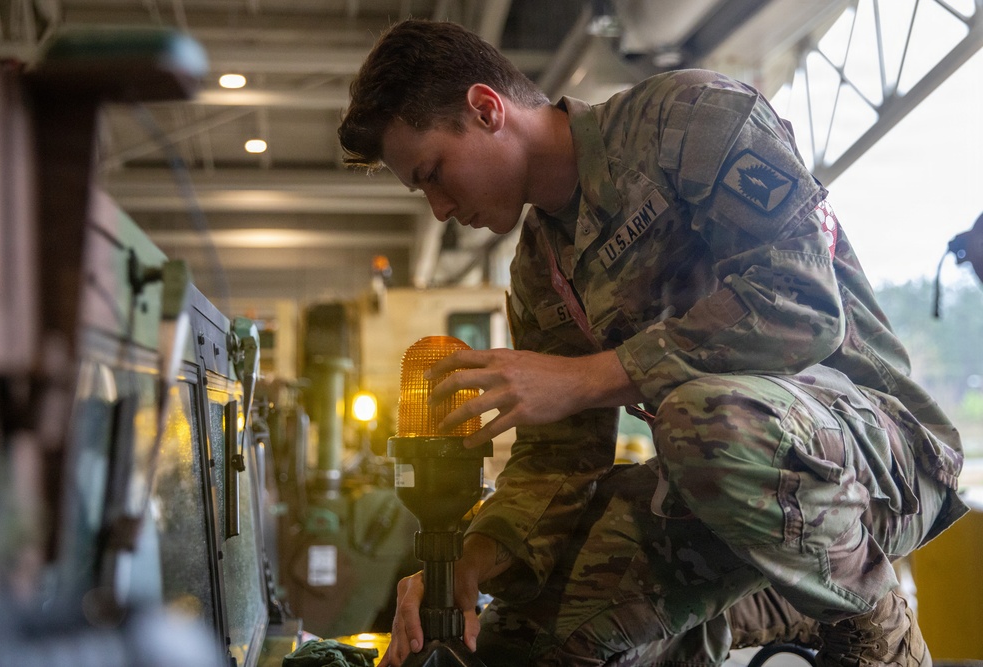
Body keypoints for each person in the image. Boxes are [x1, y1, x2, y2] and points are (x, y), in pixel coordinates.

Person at [338, 18, 968, 667]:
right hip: (720, 490)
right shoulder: (540, 268)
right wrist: (468, 561)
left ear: (485, 108)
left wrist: (586, 377)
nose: (440, 208)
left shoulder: (690, 119)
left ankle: (877, 629)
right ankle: (731, 614)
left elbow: (802, 303)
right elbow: (559, 461)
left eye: (434, 172)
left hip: (877, 458)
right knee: (521, 640)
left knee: (704, 423)